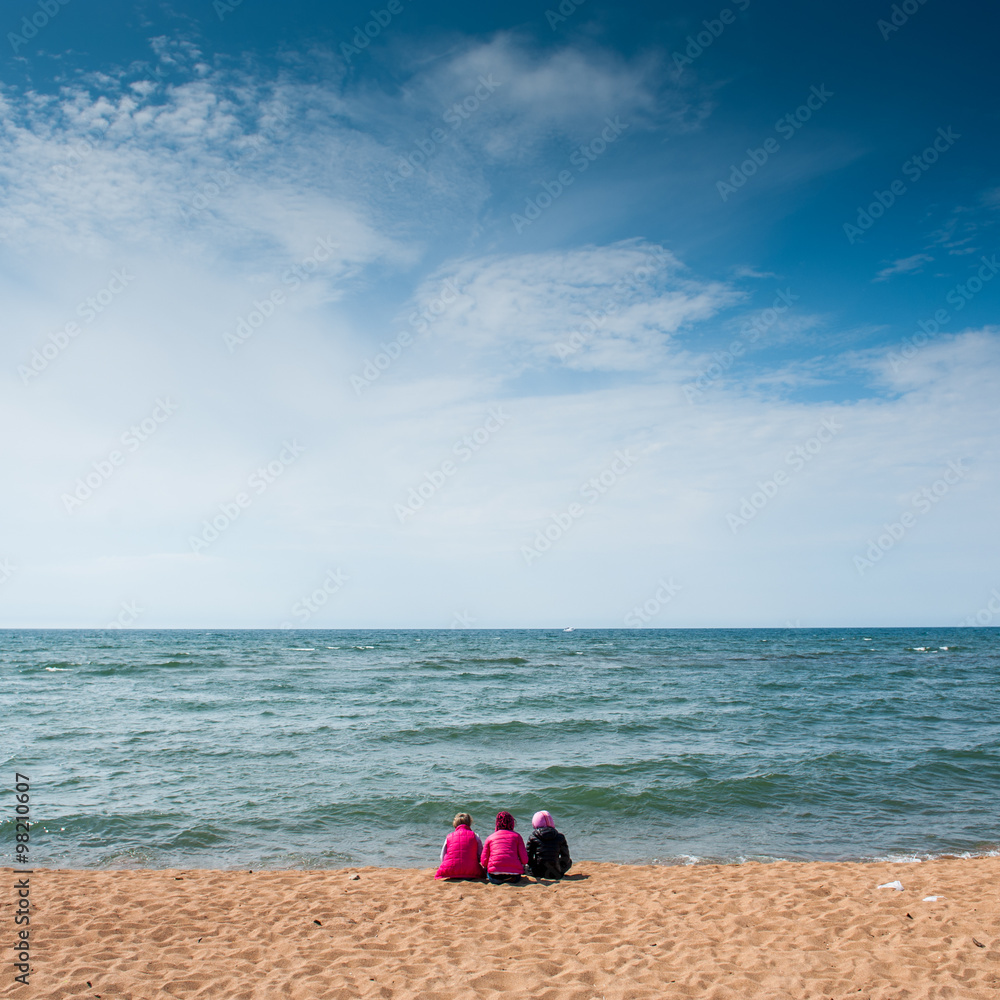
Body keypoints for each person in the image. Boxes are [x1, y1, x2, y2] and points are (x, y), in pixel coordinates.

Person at [480, 811, 527, 884]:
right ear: (512, 823)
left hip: (494, 877)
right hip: (514, 877)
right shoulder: (517, 837)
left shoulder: (490, 838)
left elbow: (484, 862)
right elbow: (525, 860)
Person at [435, 812, 485, 879]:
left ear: (455, 823)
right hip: (471, 871)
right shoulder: (475, 836)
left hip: (451, 870)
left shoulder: (449, 836)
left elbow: (442, 856)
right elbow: (481, 855)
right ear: (469, 822)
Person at [526, 810, 572, 879]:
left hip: (538, 873)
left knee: (524, 866)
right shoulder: (560, 837)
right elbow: (565, 857)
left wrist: (533, 868)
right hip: (555, 873)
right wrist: (560, 869)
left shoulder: (533, 837)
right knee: (569, 862)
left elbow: (528, 857)